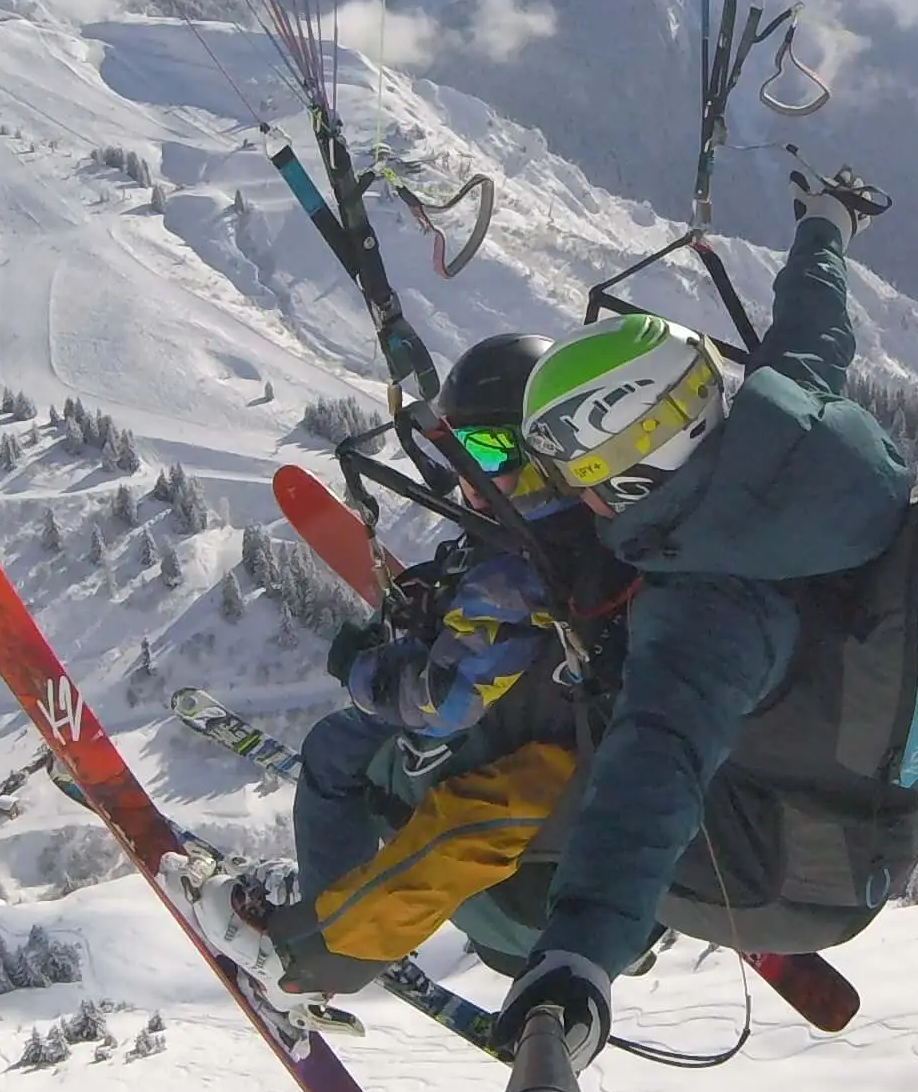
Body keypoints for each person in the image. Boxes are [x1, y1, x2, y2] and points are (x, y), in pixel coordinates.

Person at [493, 158, 904, 1064]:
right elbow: (813, 326)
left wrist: (578, 952)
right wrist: (826, 227)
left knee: (519, 844)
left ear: (641, 459)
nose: (576, 495)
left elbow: (653, 774)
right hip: (804, 712)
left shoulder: (707, 610)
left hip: (763, 837)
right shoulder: (784, 424)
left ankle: (623, 933)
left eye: (582, 473)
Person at [170, 331, 618, 1004]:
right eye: (458, 453)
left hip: (526, 797)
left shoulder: (517, 573)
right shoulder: (600, 520)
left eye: (487, 451)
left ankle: (315, 945)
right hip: (581, 754)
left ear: (543, 452)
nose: (466, 474)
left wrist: (363, 670)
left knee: (335, 749)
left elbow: (441, 703)